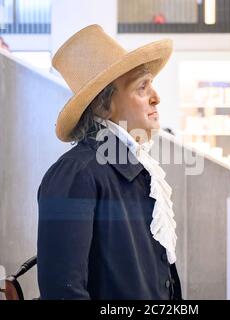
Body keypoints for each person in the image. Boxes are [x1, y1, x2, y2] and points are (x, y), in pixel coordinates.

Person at [37, 24, 182, 300]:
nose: (156, 97)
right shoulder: (76, 174)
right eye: (142, 86)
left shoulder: (139, 170)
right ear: (105, 106)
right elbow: (62, 291)